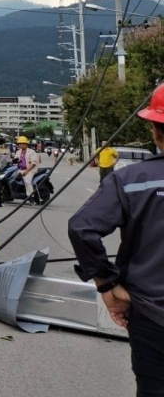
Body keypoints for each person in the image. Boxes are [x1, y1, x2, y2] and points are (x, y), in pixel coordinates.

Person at [69, 82, 164, 396]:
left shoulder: (131, 180)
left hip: (151, 318)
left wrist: (108, 287)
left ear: (155, 130)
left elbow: (82, 228)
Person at [15, 136, 44, 202]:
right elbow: (15, 160)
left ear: (26, 144)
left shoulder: (31, 152)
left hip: (30, 170)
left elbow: (33, 163)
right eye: (19, 143)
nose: (20, 145)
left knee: (27, 181)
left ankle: (31, 197)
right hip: (20, 169)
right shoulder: (18, 152)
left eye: (22, 143)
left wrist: (27, 171)